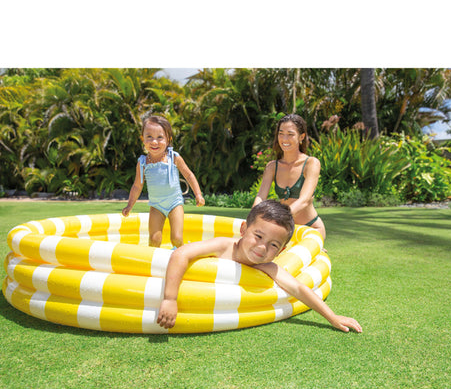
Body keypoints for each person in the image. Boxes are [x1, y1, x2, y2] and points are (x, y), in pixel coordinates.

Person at [157, 200, 361, 333]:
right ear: (244, 229)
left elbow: (299, 288)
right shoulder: (222, 246)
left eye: (274, 245)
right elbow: (181, 254)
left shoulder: (267, 266)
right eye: (258, 236)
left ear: (281, 251)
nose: (262, 248)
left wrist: (332, 317)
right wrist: (170, 299)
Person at [122, 115, 205, 248]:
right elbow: (137, 186)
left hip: (174, 203)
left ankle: (182, 255)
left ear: (168, 139)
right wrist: (129, 205)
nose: (154, 142)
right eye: (149, 137)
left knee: (176, 238)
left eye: (160, 137)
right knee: (154, 240)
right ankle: (154, 260)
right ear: (143, 139)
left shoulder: (174, 157)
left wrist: (198, 194)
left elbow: (189, 175)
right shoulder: (142, 163)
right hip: (156, 205)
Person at [252, 114, 326, 239]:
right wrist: (253, 219)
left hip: (310, 228)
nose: (284, 139)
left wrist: (277, 219)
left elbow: (304, 200)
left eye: (290, 134)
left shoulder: (311, 163)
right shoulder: (272, 167)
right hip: (284, 230)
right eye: (281, 133)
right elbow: (260, 197)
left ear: (301, 137)